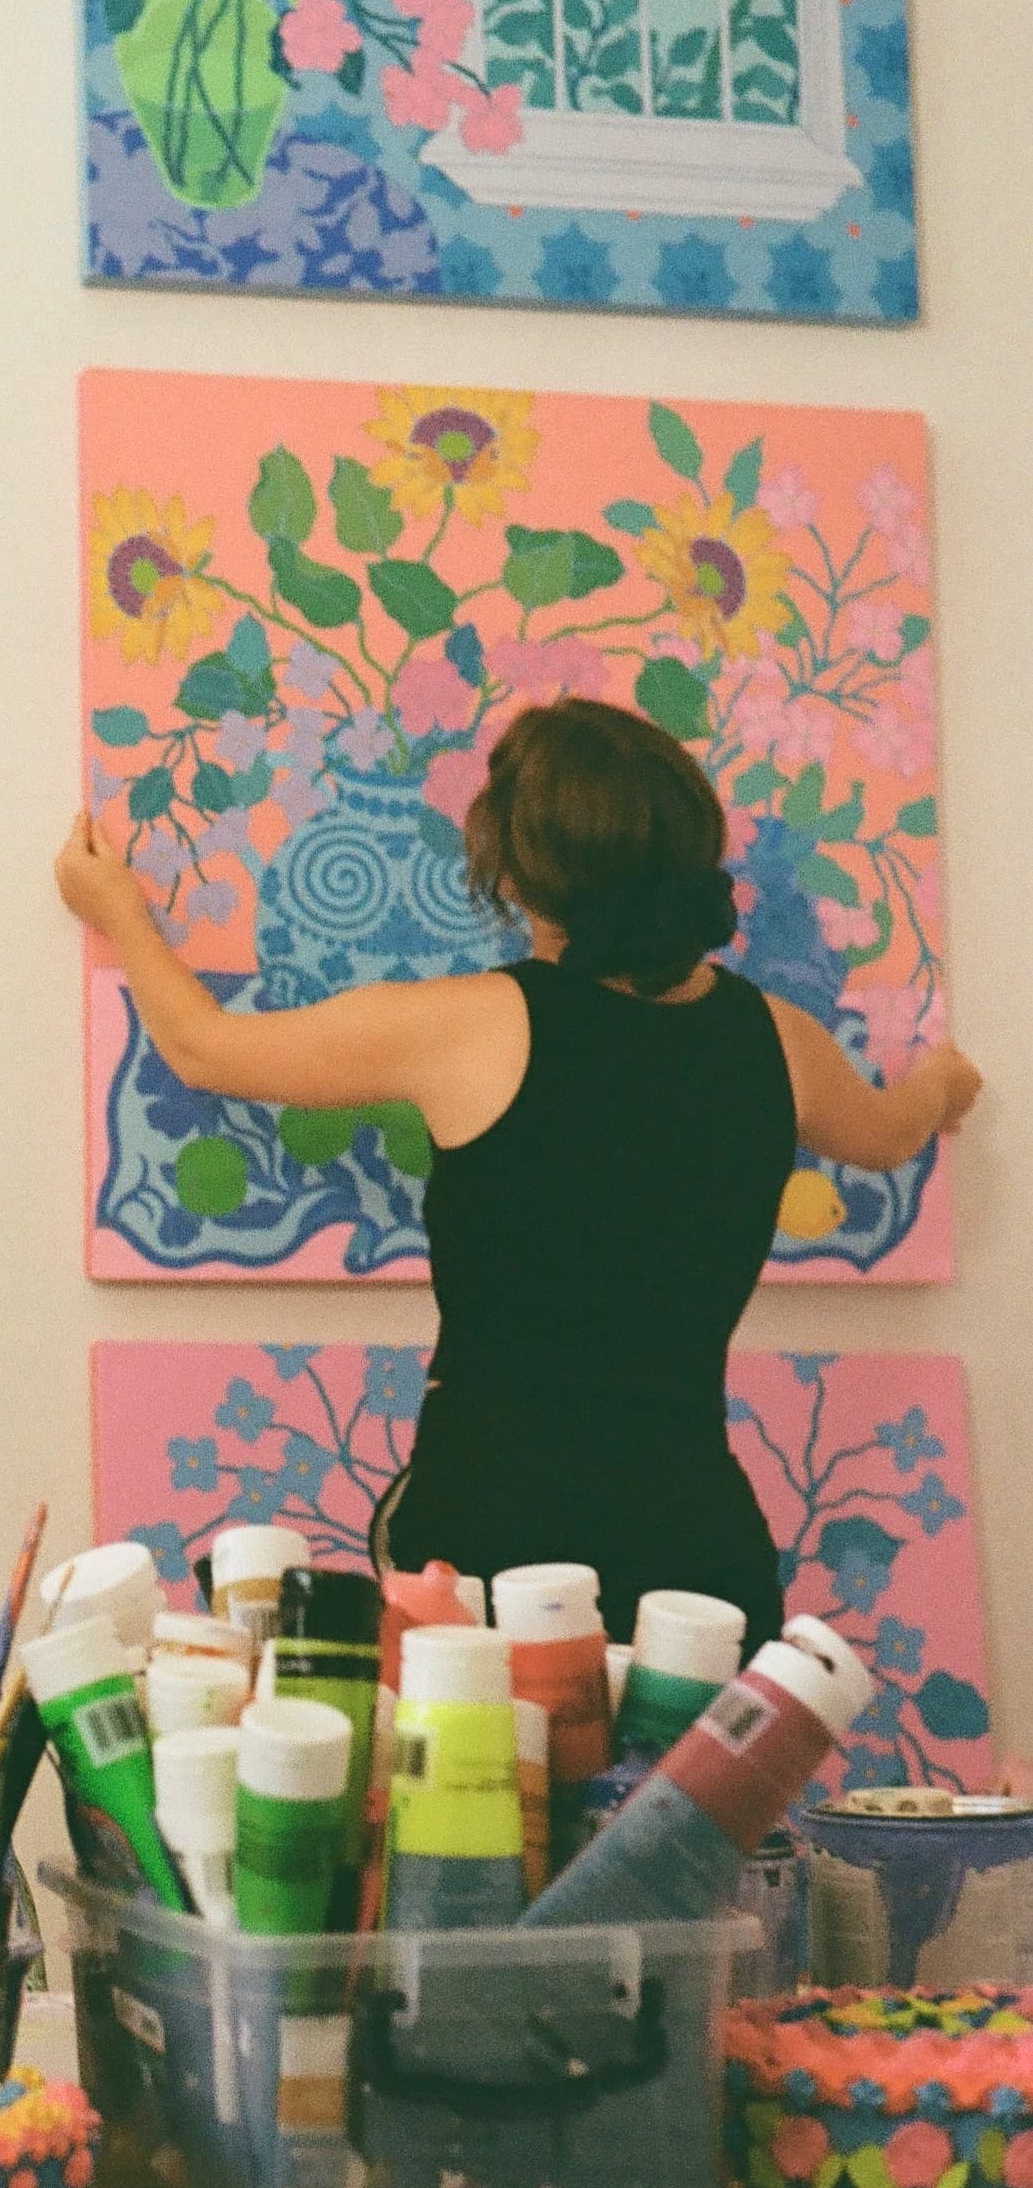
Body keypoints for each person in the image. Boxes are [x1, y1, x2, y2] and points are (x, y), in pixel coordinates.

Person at [56, 697, 982, 1646]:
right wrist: (942, 1083)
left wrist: (119, 912)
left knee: (477, 1798)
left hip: (493, 1538)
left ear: (519, 872)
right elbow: (885, 1133)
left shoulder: (470, 1028)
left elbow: (205, 1049)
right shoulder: (779, 1042)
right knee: (693, 1801)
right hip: (697, 1549)